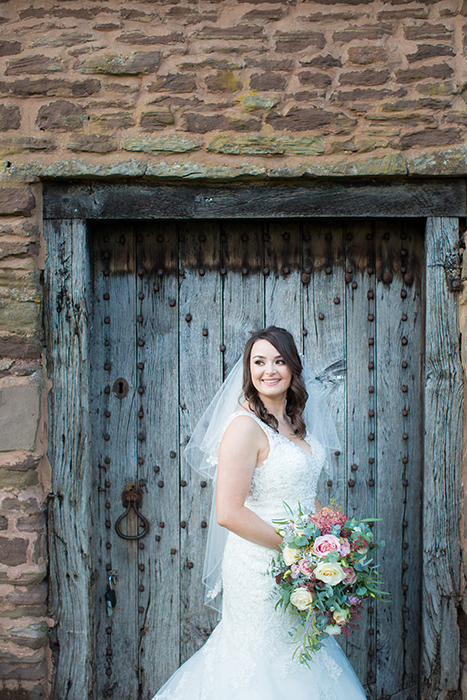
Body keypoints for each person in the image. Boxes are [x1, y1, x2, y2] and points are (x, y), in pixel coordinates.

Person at [152, 327, 367, 700]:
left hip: (299, 566)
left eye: (279, 361)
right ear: (249, 371)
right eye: (259, 361)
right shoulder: (243, 427)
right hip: (259, 566)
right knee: (258, 656)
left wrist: (334, 540)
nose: (269, 370)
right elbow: (229, 513)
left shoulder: (296, 424)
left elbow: (304, 494)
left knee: (300, 653)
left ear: (293, 368)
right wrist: (297, 551)